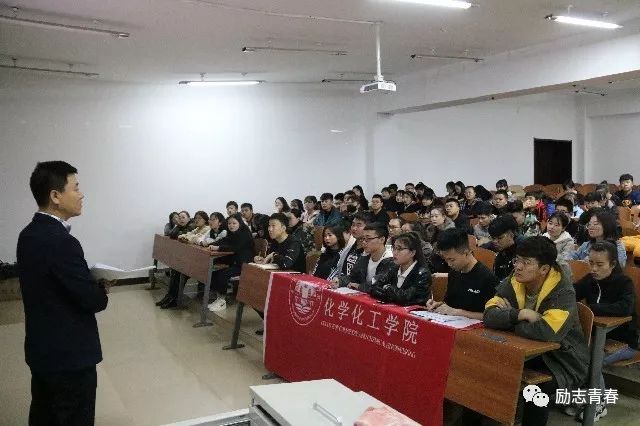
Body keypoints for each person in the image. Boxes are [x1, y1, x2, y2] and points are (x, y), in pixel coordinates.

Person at [17, 161, 108, 424]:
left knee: (45, 413)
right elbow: (91, 300)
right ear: (55, 196)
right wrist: (101, 288)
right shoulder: (62, 242)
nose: (81, 194)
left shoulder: (28, 234)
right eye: (75, 188)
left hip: (43, 349)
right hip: (69, 357)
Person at [484, 236, 589, 426]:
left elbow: (548, 333)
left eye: (526, 262)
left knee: (535, 389)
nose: (518, 266)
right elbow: (489, 315)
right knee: (482, 368)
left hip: (562, 360)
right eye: (517, 260)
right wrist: (521, 314)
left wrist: (509, 320)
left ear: (544, 269)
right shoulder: (514, 280)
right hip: (525, 351)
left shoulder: (563, 291)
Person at [573, 241, 638, 421]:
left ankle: (598, 404)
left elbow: (625, 308)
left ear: (613, 264)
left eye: (600, 264)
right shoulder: (590, 280)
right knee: (575, 354)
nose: (594, 269)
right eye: (591, 263)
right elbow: (572, 294)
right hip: (596, 337)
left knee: (591, 361)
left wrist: (591, 309)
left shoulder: (624, 283)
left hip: (624, 342)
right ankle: (584, 397)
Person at [426, 228, 497, 319]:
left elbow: (493, 317)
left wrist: (459, 312)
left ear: (466, 253)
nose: (449, 264)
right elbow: (450, 304)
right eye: (446, 260)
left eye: (452, 259)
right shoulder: (454, 272)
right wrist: (439, 305)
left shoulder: (487, 278)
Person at [206, 213, 255, 312]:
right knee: (214, 273)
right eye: (229, 223)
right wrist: (210, 244)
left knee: (223, 274)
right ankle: (219, 298)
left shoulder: (244, 234)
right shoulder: (232, 234)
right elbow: (224, 241)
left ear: (240, 223)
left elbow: (235, 248)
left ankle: (222, 301)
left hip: (244, 265)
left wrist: (218, 248)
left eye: (234, 223)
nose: (231, 225)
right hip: (235, 263)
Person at [370, 232, 432, 305]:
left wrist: (387, 288)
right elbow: (374, 287)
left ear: (412, 253)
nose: (395, 252)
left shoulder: (422, 274)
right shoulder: (391, 266)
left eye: (399, 249)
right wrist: (390, 292)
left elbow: (406, 299)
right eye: (394, 248)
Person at [335, 224, 393, 293]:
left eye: (368, 239)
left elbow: (379, 284)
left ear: (382, 239)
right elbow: (353, 277)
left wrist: (359, 286)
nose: (364, 242)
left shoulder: (390, 259)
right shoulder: (365, 255)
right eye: (363, 238)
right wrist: (340, 281)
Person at [337, 212, 372, 276]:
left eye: (358, 225)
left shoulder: (370, 252)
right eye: (353, 225)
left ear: (368, 228)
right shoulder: (349, 247)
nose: (354, 228)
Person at [488, 214, 520, 281]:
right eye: (493, 238)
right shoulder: (500, 251)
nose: (495, 242)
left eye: (500, 238)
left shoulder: (523, 252)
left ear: (511, 234)